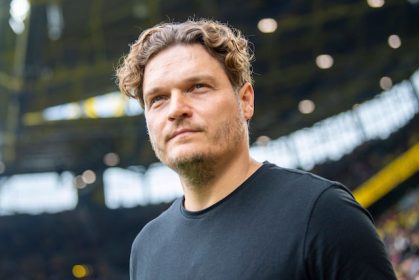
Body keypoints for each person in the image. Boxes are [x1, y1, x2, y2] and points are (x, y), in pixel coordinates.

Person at [116, 19, 397, 280]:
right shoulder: (146, 249)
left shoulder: (322, 213)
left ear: (245, 100)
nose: (176, 109)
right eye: (158, 99)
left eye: (197, 87)